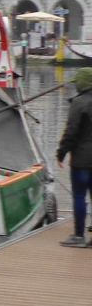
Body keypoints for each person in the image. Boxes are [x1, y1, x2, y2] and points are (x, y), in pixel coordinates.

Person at [57, 68, 92, 246]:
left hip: (82, 161)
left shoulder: (78, 103)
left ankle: (79, 236)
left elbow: (71, 132)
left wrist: (61, 153)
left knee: (79, 196)